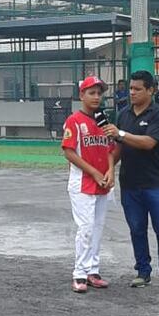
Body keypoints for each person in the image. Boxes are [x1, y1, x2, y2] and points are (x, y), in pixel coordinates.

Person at [103, 70, 159, 291]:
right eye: (131, 88)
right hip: (131, 184)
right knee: (137, 229)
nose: (132, 92)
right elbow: (117, 147)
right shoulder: (124, 114)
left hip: (156, 183)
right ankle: (142, 272)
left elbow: (148, 143)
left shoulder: (158, 114)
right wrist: (109, 169)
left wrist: (122, 134)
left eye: (137, 89)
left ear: (151, 90)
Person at [61, 77, 116, 293]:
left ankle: (93, 270)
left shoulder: (103, 120)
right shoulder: (74, 120)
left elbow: (110, 149)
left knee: (98, 227)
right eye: (91, 93)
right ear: (81, 95)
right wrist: (93, 172)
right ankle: (79, 273)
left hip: (102, 181)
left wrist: (111, 170)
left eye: (99, 93)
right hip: (83, 182)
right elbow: (68, 150)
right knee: (85, 228)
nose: (96, 97)